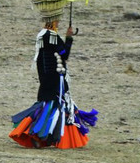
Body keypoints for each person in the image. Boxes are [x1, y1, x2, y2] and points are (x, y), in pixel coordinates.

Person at [9, 14, 96, 148]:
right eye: (57, 20)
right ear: (54, 21)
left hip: (46, 78)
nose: (59, 22)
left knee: (48, 107)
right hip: (55, 78)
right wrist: (68, 37)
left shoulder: (42, 35)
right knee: (56, 107)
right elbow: (64, 54)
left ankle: (44, 136)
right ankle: (42, 136)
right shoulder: (52, 37)